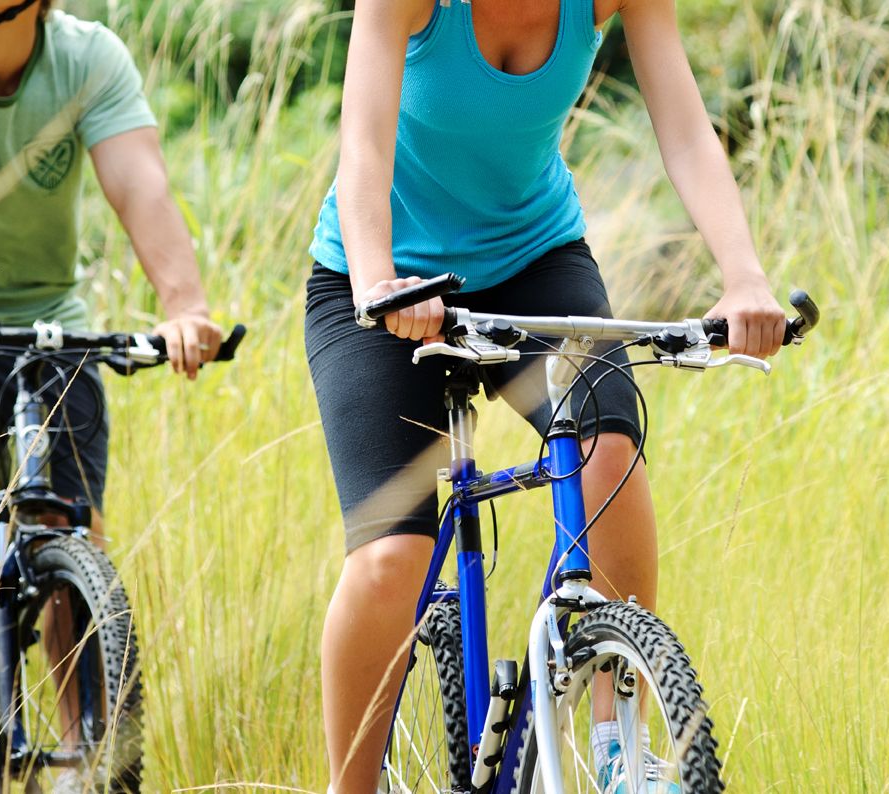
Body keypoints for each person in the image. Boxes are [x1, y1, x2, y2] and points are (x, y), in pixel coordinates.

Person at [304, 0, 787, 791]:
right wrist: (376, 278)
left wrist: (743, 277)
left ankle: (619, 751)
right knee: (392, 557)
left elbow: (683, 129)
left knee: (607, 457)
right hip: (384, 278)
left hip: (532, 259)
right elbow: (362, 138)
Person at [0, 0, 224, 691]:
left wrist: (186, 312)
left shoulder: (88, 59)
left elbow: (141, 185)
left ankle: (90, 746)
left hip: (40, 316)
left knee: (64, 526)